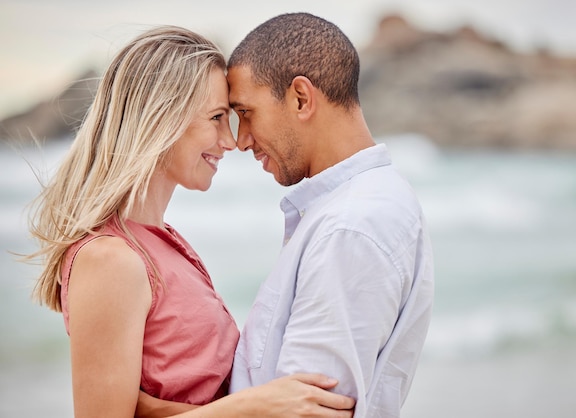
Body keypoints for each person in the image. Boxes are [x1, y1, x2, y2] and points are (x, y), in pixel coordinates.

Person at [24, 25, 355, 418]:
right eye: (216, 118)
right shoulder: (111, 258)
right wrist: (255, 406)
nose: (230, 141)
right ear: (160, 118)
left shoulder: (162, 243)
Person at [224, 12, 435, 417]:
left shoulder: (351, 226)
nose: (240, 140)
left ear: (301, 98)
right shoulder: (353, 209)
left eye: (246, 112)